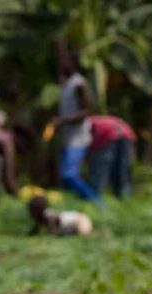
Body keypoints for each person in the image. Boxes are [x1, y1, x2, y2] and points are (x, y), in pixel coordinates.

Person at [51, 50, 99, 202]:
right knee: (64, 181)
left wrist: (62, 121)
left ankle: (98, 204)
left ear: (72, 63)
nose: (60, 64)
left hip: (78, 138)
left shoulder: (78, 84)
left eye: (64, 61)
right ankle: (74, 207)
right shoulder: (65, 84)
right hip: (67, 138)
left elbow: (86, 111)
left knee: (69, 175)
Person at [88, 114, 135, 198]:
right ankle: (124, 197)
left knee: (101, 167)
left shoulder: (88, 122)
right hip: (126, 134)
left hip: (111, 136)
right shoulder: (98, 120)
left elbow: (92, 141)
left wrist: (93, 152)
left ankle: (95, 196)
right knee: (123, 169)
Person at [28, 195, 93, 236]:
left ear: (37, 211)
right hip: (78, 219)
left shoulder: (50, 217)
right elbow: (35, 229)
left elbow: (53, 233)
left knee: (84, 234)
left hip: (81, 219)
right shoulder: (42, 218)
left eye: (32, 211)